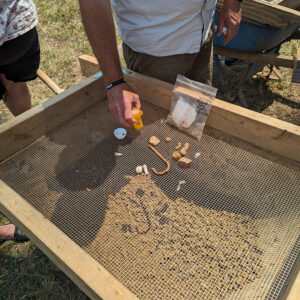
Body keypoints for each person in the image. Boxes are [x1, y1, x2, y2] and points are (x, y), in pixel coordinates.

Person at [78, 0, 241, 128]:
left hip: (203, 33)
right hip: (156, 51)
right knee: (155, 132)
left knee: (193, 119)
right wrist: (114, 82)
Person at [0, 0, 40, 242]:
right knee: (14, 84)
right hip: (15, 27)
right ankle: (29, 139)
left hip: (15, 28)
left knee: (14, 85)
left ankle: (29, 140)